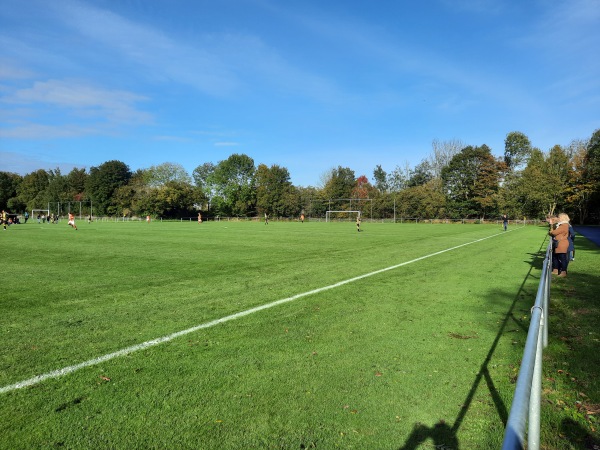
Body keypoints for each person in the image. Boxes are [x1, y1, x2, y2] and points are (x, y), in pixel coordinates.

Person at [549, 213, 570, 277]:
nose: (558, 218)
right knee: (555, 257)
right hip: (559, 243)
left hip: (562, 244)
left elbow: (554, 232)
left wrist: (551, 230)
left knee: (562, 258)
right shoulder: (561, 225)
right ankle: (556, 270)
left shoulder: (564, 225)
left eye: (559, 217)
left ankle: (563, 272)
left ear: (562, 218)